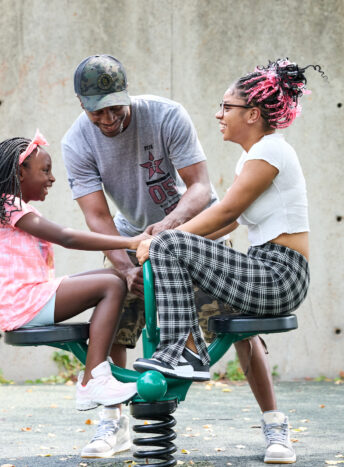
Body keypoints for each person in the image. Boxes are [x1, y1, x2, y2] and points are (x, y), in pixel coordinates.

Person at [61, 54, 279, 459]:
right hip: (133, 241)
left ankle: (274, 425)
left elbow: (199, 188)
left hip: (196, 232)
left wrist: (169, 228)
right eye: (97, 112)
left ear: (126, 94)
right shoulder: (76, 142)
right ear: (81, 105)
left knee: (238, 327)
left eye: (114, 107)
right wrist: (127, 269)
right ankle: (113, 425)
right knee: (114, 319)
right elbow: (97, 217)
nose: (107, 119)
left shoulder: (165, 115)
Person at [134, 58, 325, 464]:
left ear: (253, 114)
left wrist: (165, 241)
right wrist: (159, 240)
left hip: (280, 274)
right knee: (175, 263)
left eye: (226, 107)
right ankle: (275, 427)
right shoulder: (254, 156)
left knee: (170, 247)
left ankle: (182, 350)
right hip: (262, 267)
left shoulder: (270, 150)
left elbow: (222, 213)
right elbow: (227, 224)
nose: (219, 115)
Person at [0, 131, 145, 446]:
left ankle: (101, 381)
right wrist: (131, 241)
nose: (53, 178)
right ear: (20, 172)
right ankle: (93, 378)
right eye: (45, 170)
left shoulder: (8, 208)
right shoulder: (10, 207)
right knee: (112, 284)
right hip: (23, 303)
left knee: (114, 279)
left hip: (27, 298)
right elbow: (67, 237)